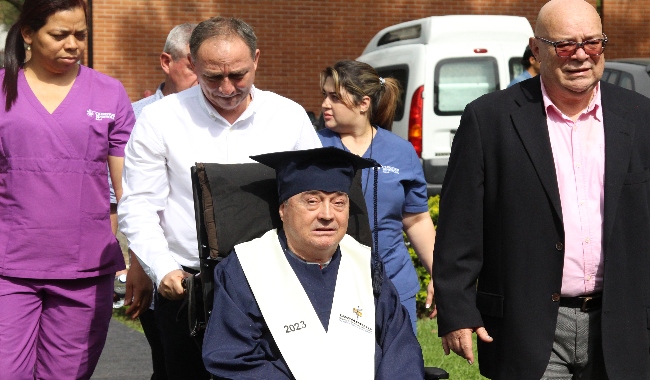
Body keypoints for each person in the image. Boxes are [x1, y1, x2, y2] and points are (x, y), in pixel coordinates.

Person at [433, 0, 650, 379]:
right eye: (565, 45)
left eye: (593, 43)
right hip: (527, 325)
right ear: (537, 49)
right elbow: (460, 225)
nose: (581, 55)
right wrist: (457, 309)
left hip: (623, 322)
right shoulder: (489, 119)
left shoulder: (640, 117)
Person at [118, 17, 321, 379]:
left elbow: (315, 196)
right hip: (188, 290)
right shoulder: (160, 119)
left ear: (257, 59)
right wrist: (162, 269)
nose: (227, 88)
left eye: (238, 75)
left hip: (275, 288)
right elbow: (140, 205)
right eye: (213, 77)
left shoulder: (289, 118)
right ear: (192, 64)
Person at [202, 147, 425, 379]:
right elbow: (232, 356)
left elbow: (399, 347)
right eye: (312, 201)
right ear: (283, 210)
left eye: (339, 203)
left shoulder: (364, 265)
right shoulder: (247, 268)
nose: (327, 215)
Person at [0, 0, 134, 378]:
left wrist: (141, 255)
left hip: (86, 269)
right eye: (59, 35)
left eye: (80, 35)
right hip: (9, 268)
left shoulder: (108, 93)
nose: (72, 44)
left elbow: (130, 189)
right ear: (28, 33)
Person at [317, 60, 436, 332]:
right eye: (324, 95)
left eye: (334, 97)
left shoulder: (401, 151)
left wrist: (439, 274)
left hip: (393, 285)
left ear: (364, 103)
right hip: (329, 286)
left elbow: (416, 219)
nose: (325, 103)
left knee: (399, 368)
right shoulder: (312, 146)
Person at [124, 22, 198, 380]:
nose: (205, 77)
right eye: (193, 65)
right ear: (167, 62)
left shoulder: (216, 113)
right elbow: (127, 196)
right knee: (169, 366)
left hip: (213, 267)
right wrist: (138, 263)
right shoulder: (137, 117)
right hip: (159, 266)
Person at [131, 23, 198, 118]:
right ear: (166, 62)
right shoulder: (134, 117)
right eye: (192, 68)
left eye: (209, 72)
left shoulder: (220, 117)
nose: (203, 79)